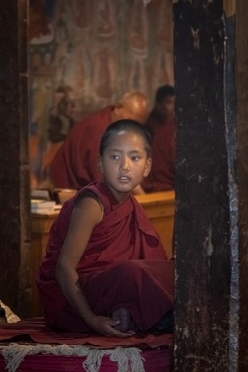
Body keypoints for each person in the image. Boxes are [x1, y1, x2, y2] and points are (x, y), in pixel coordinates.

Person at [36, 119, 174, 337]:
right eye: (114, 157)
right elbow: (63, 268)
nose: (125, 166)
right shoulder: (92, 203)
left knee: (173, 269)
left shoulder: (131, 206)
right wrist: (92, 320)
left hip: (112, 288)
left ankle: (131, 311)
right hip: (75, 298)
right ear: (100, 163)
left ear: (147, 166)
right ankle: (159, 315)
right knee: (133, 272)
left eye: (135, 157)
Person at [48, 91, 149, 190]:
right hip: (64, 190)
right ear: (118, 108)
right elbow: (105, 177)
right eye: (131, 120)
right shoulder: (98, 130)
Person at [141, 85, 175, 193]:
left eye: (175, 103)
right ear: (158, 104)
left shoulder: (174, 127)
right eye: (169, 103)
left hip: (170, 184)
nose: (173, 107)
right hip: (150, 184)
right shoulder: (147, 124)